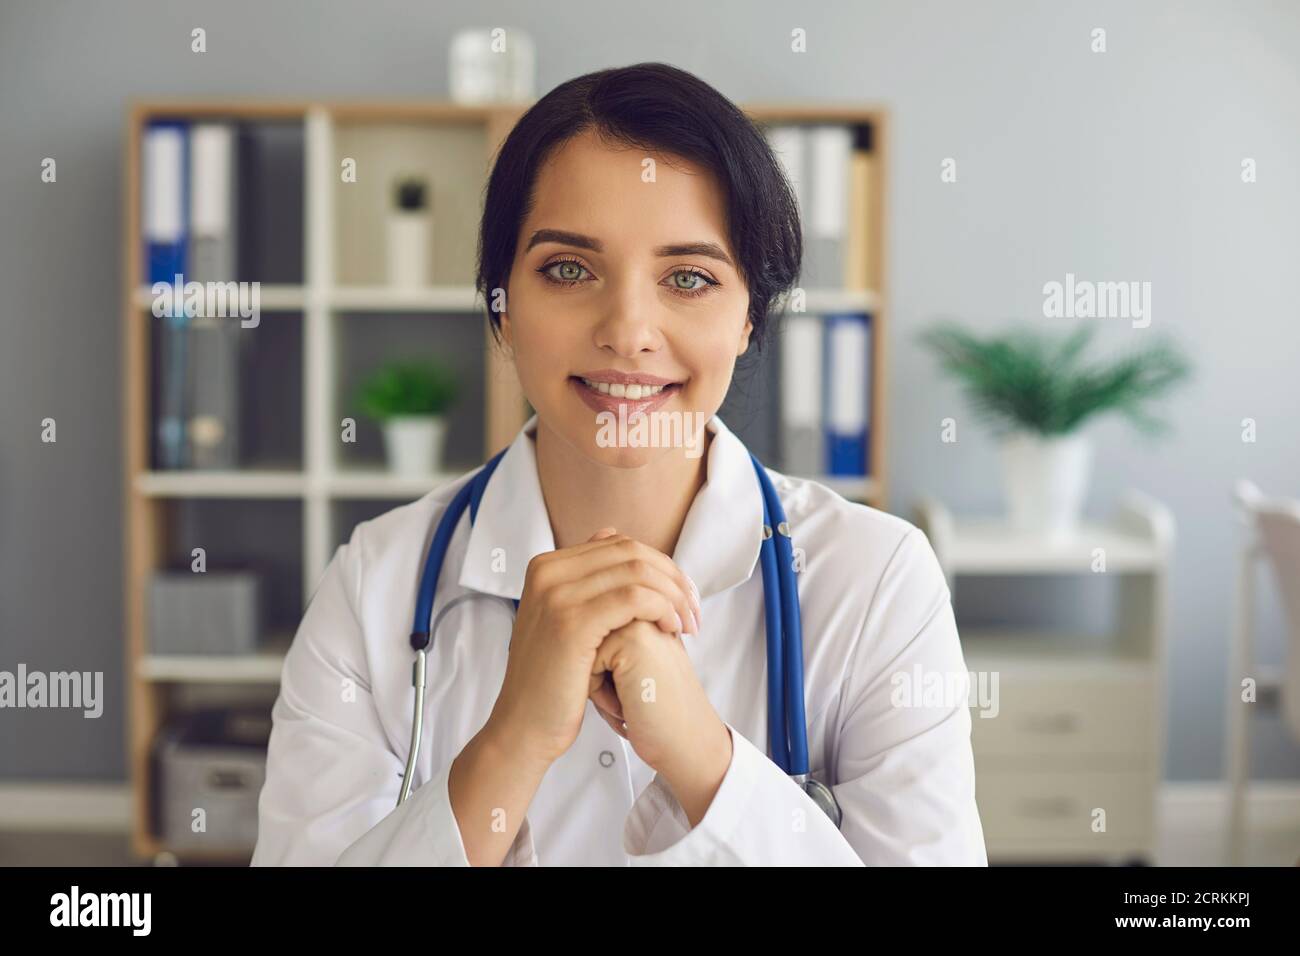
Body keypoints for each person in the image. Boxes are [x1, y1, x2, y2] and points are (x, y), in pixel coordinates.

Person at [251, 62, 987, 867]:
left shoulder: (878, 582)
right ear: (501, 303)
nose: (629, 330)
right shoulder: (374, 587)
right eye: (569, 269)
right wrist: (514, 741)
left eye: (689, 278)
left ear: (750, 316)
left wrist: (706, 761)